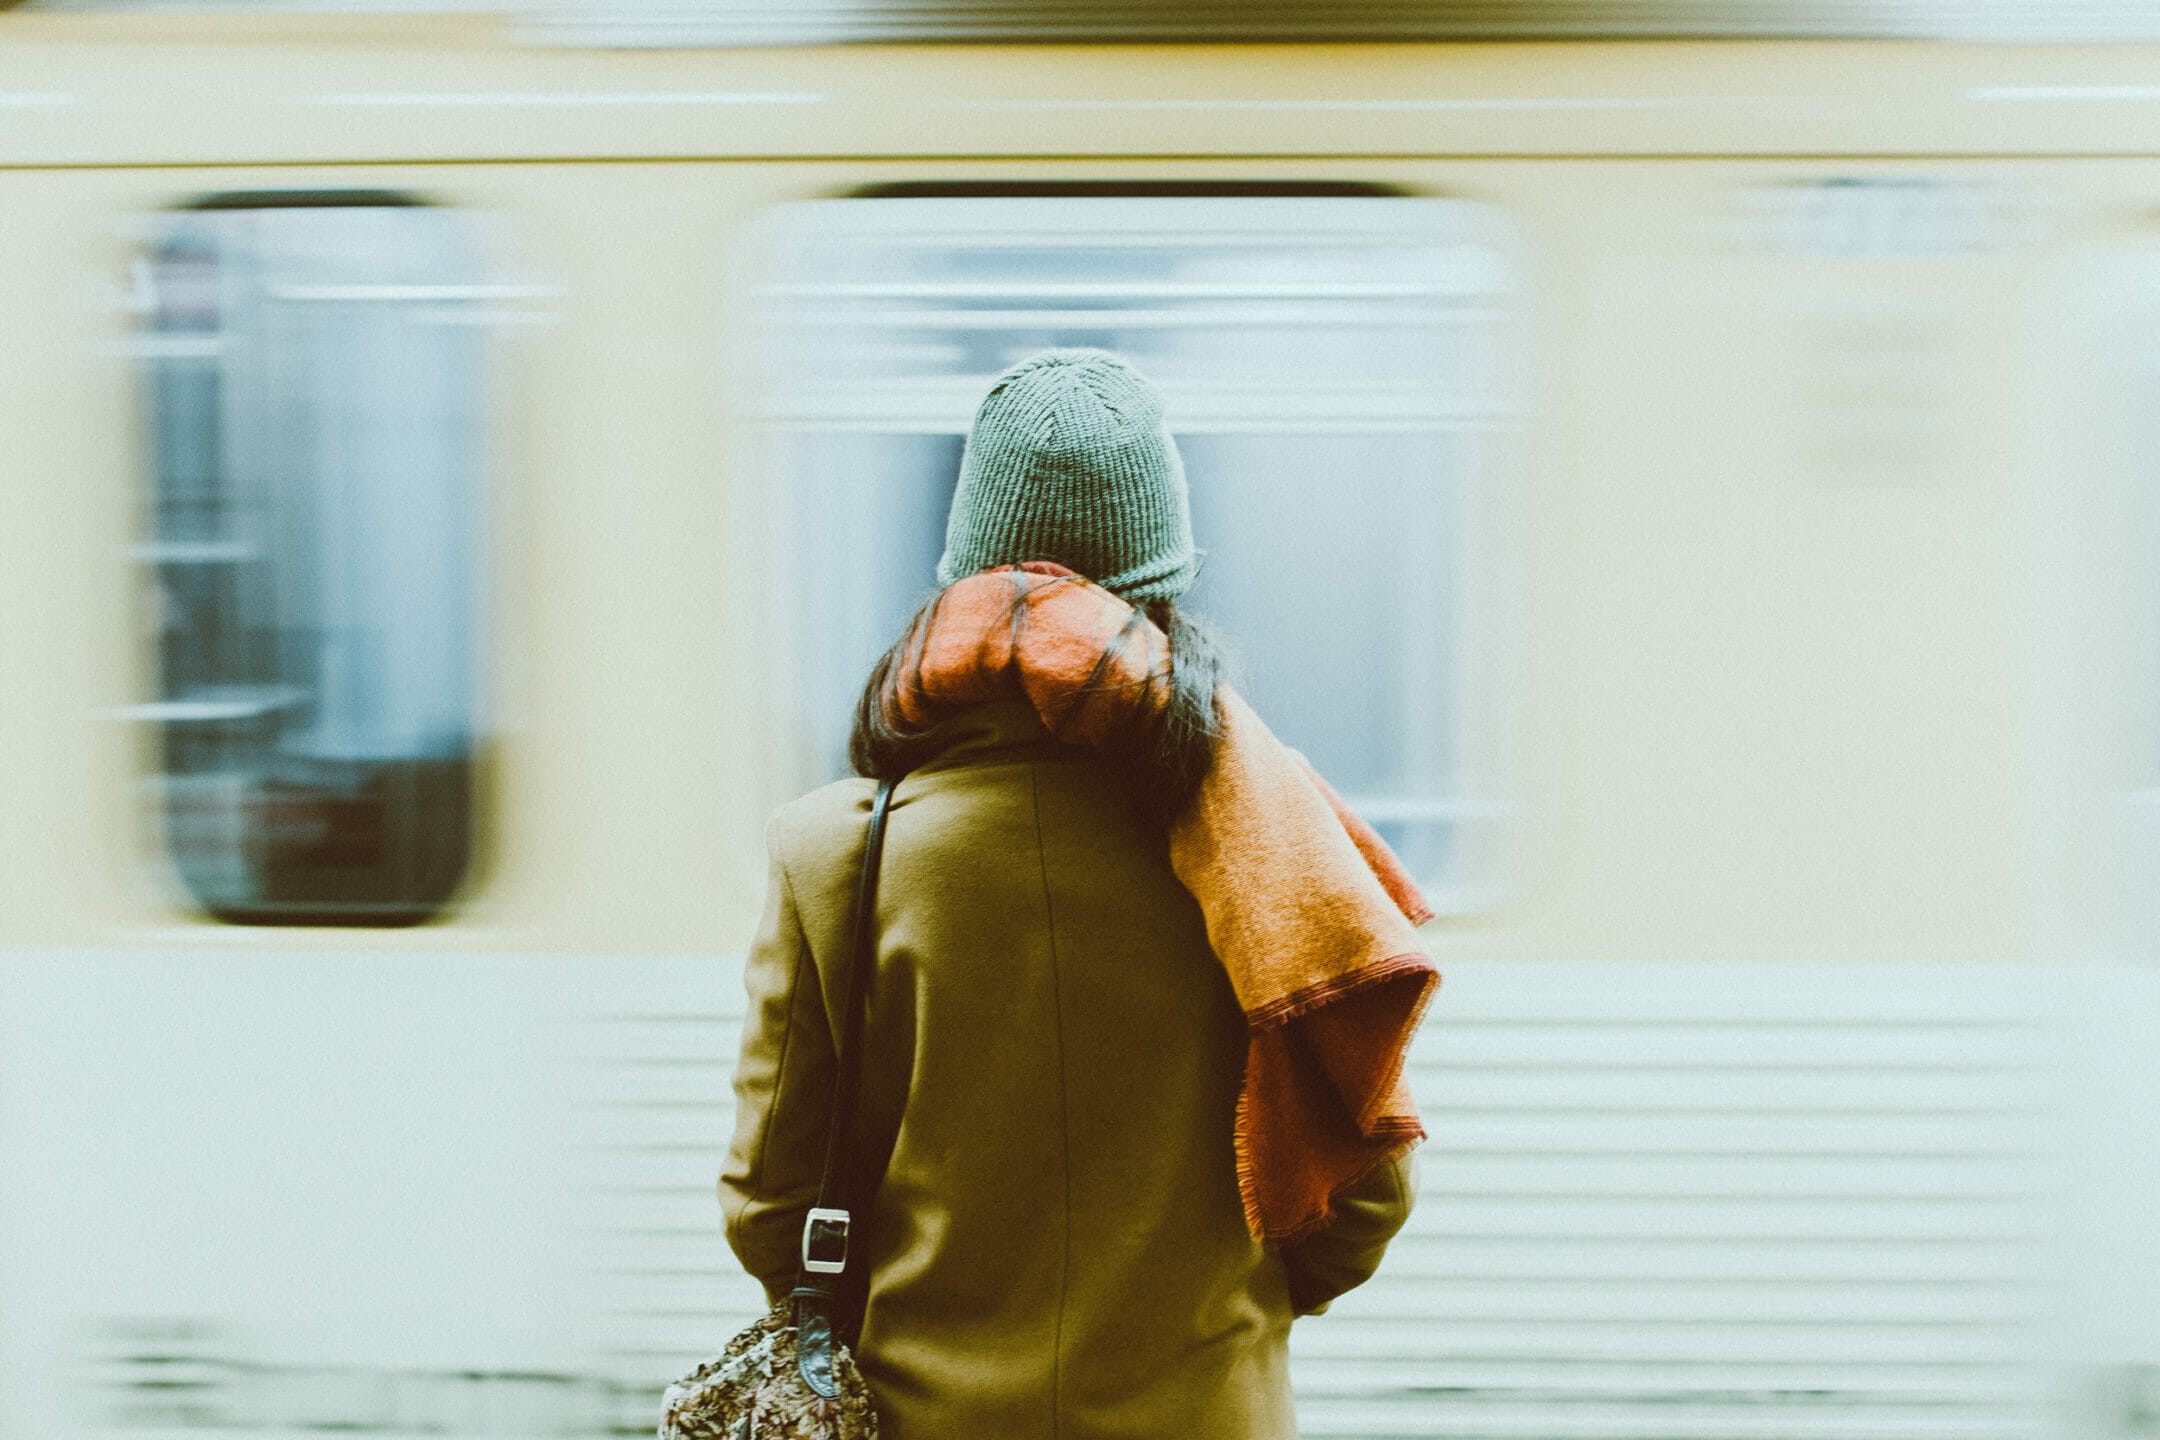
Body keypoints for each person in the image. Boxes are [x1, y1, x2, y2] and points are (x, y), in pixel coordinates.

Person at [720, 349, 1435, 1440]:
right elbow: (1362, 1191)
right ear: (1166, 588)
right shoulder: (1266, 842)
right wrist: (1222, 1316)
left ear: (964, 584)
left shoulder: (830, 858)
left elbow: (774, 1207)